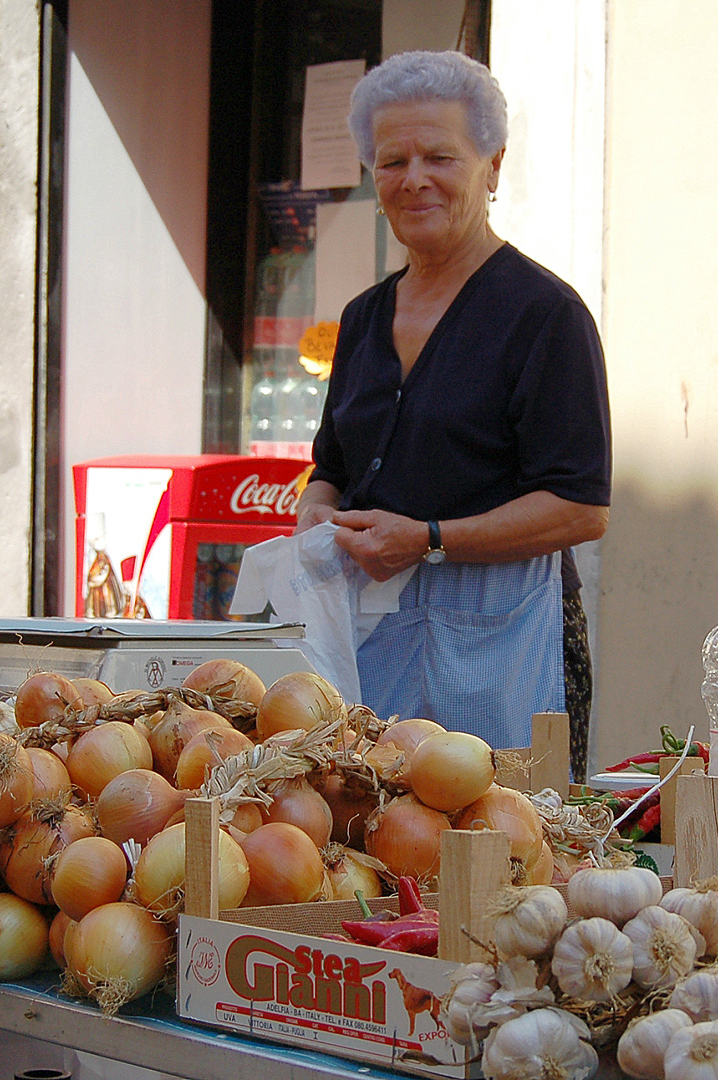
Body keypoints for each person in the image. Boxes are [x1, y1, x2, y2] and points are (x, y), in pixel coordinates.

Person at [295, 50, 611, 753]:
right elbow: (333, 467)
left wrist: (428, 539)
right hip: (372, 636)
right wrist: (317, 509)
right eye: (391, 161)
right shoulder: (361, 318)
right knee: (368, 834)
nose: (413, 180)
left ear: (492, 166)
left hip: (508, 645)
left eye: (439, 156)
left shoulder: (543, 315)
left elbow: (580, 507)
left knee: (504, 833)